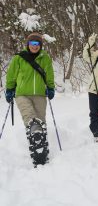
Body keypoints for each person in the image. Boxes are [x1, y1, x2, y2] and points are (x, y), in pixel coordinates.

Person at [5, 32, 55, 166]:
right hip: (22, 94)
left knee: (41, 124)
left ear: (40, 45)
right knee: (32, 121)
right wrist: (9, 89)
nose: (35, 46)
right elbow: (11, 76)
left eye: (37, 44)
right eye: (32, 43)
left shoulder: (45, 58)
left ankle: (41, 153)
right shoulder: (19, 58)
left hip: (39, 94)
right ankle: (36, 147)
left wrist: (50, 88)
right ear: (28, 44)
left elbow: (49, 75)